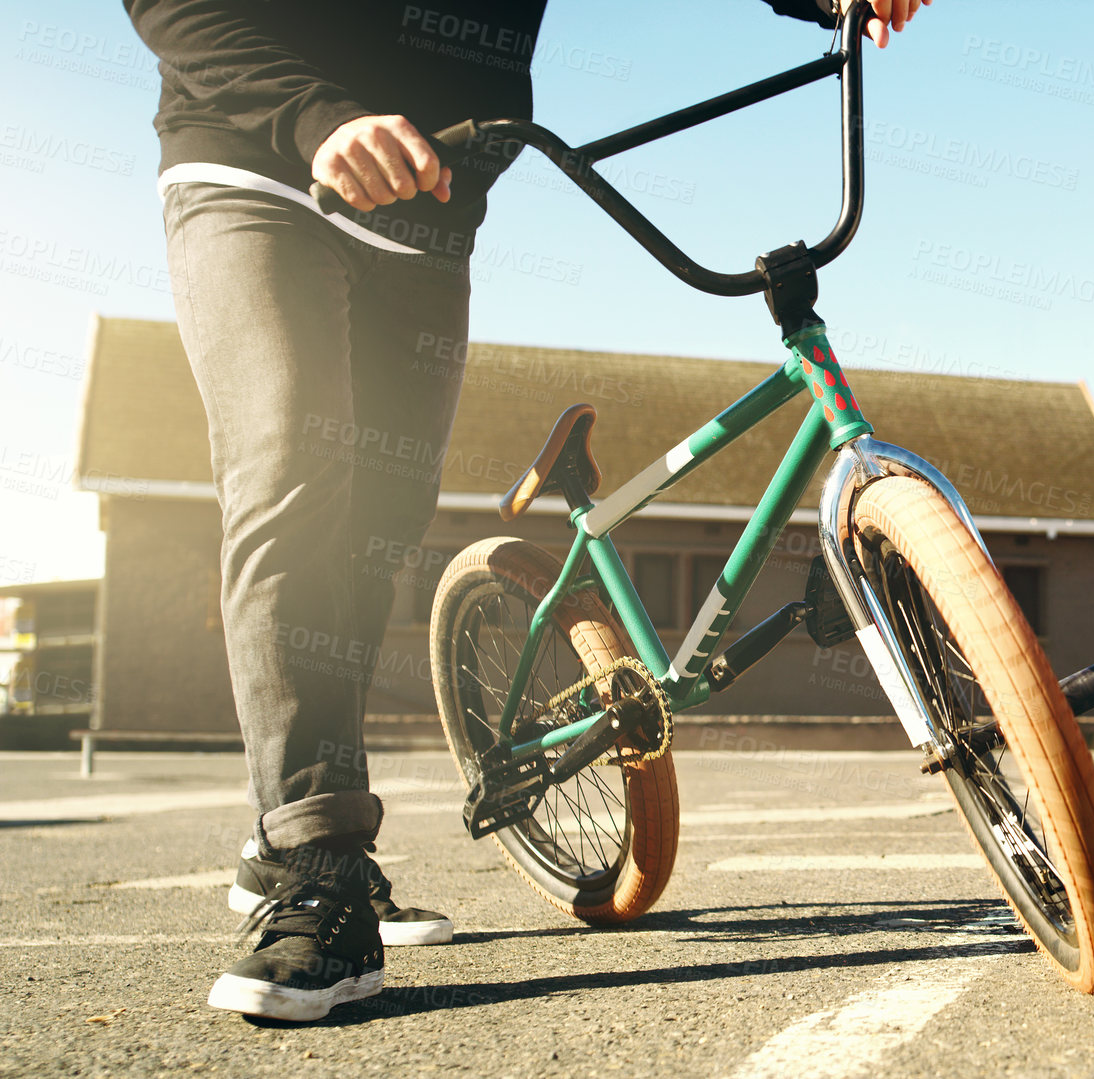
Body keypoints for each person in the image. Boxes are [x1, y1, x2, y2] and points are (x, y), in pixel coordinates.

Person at [127, 0, 930, 1023]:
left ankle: (295, 817)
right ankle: (314, 859)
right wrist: (316, 116)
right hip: (255, 165)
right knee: (292, 466)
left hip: (429, 211)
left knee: (381, 525)